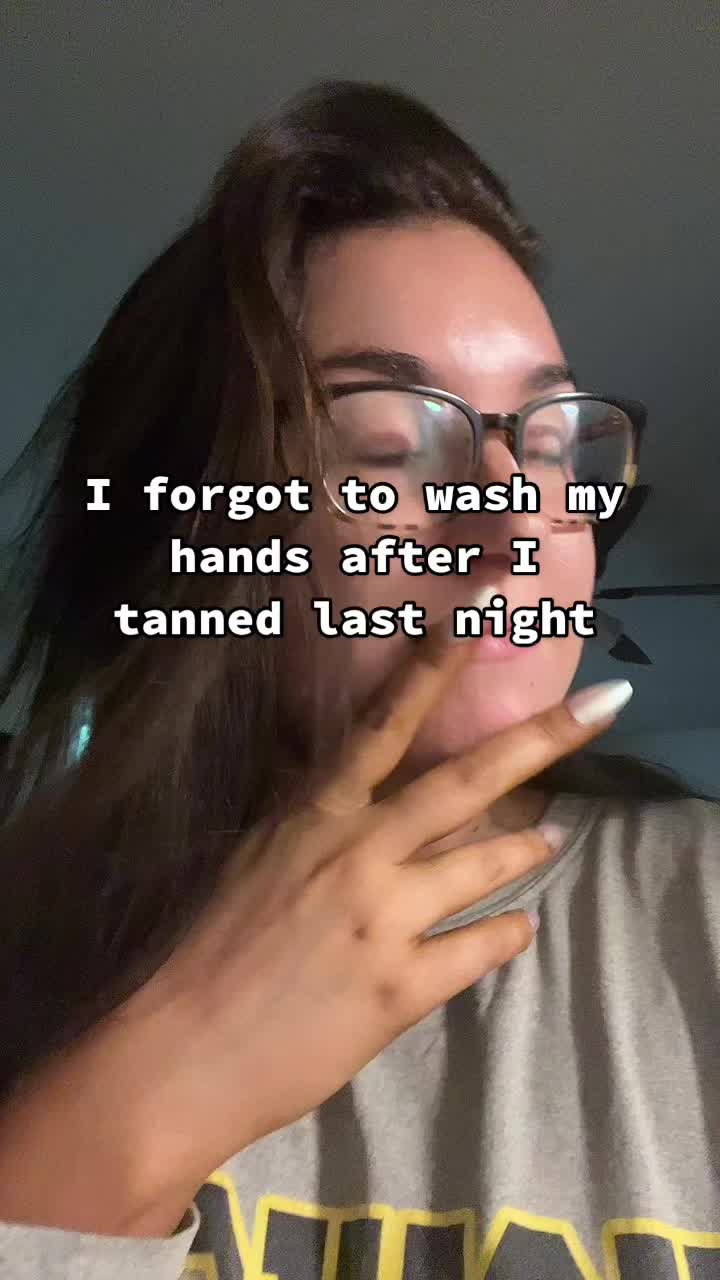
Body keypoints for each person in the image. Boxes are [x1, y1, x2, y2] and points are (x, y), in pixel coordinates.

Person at [0, 80, 718, 1280]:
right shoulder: (31, 940)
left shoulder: (700, 908)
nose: (515, 526)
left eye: (549, 440)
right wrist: (139, 1102)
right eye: (391, 448)